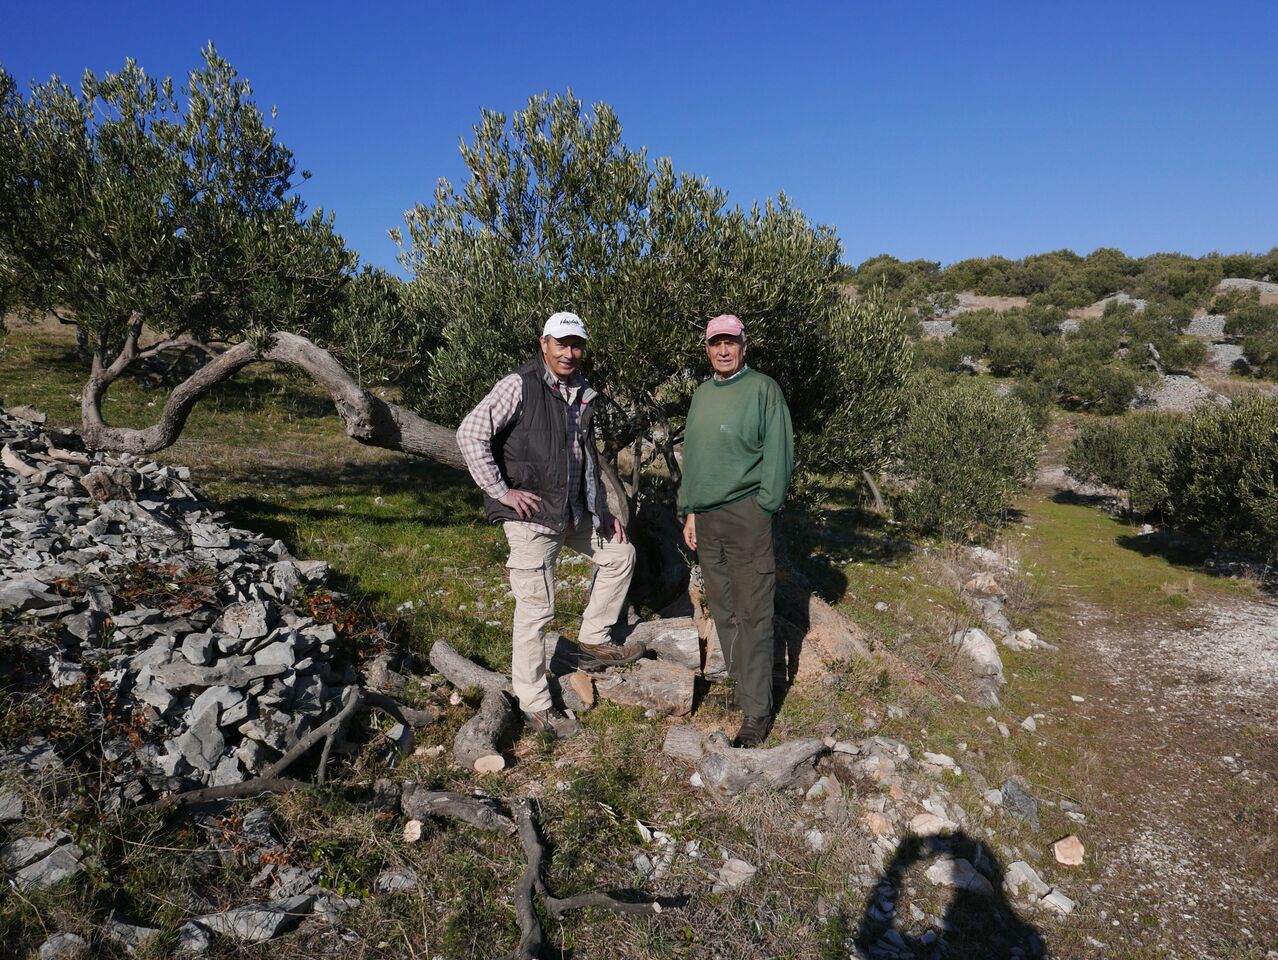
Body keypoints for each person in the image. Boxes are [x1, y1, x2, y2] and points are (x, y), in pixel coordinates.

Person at [457, 311, 637, 740]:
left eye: (577, 345)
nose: (569, 353)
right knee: (537, 611)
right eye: (562, 344)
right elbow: (470, 434)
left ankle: (593, 639)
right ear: (544, 344)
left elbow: (585, 460)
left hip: (572, 512)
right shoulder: (519, 385)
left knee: (620, 555)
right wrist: (501, 492)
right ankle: (534, 703)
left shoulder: (581, 391)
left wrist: (601, 511)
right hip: (532, 518)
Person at [679, 314, 794, 747]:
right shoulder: (702, 394)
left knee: (754, 612)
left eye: (731, 342)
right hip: (707, 520)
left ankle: (756, 713)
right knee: (724, 610)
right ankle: (742, 688)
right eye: (716, 343)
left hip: (747, 515)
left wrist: (764, 505)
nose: (723, 350)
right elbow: (696, 456)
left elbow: (780, 451)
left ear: (745, 346)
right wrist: (691, 510)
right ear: (707, 348)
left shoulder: (763, 389)